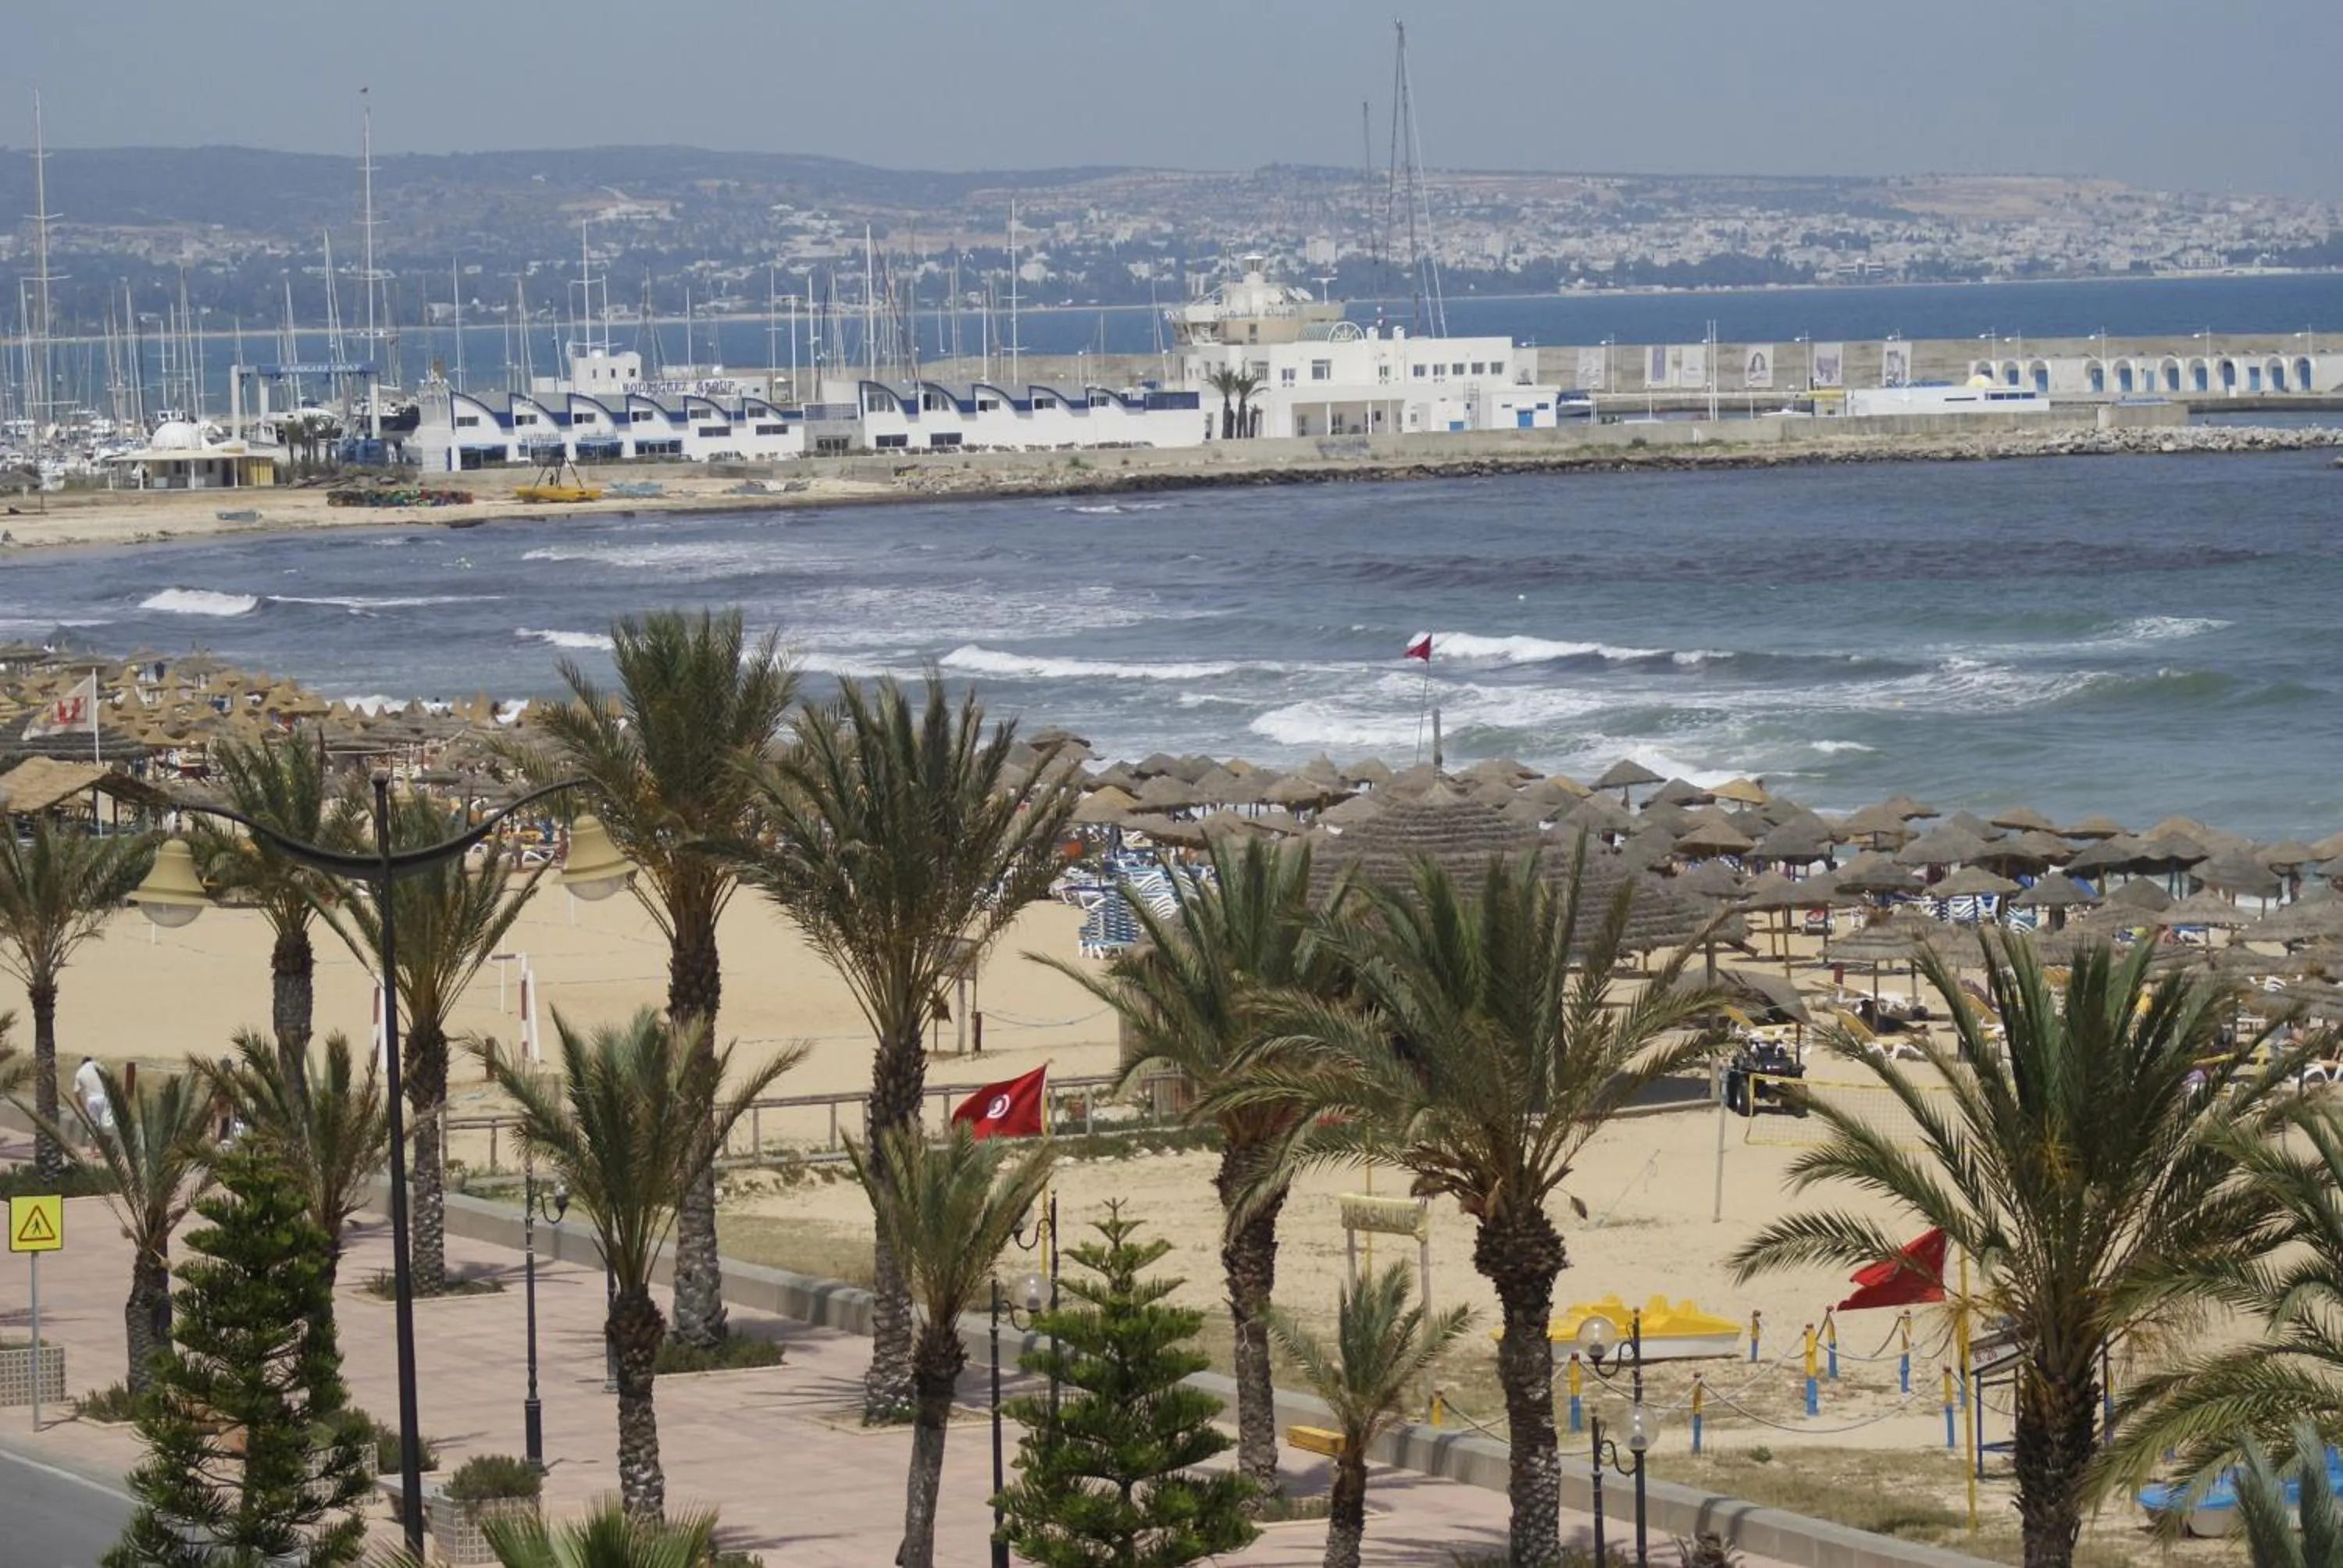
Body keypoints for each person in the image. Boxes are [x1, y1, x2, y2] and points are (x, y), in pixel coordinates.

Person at [72, 1055, 108, 1146]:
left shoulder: (80, 1072)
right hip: (104, 1097)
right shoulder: (99, 1066)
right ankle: (105, 1148)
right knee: (104, 1124)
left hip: (92, 1099)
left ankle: (93, 1149)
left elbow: (76, 1093)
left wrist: (81, 1107)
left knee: (93, 1125)